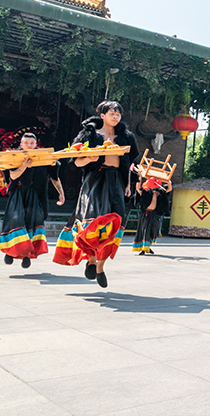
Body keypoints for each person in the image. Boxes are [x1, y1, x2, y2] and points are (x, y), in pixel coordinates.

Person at [53, 101, 139, 288]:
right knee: (92, 223)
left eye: (118, 114)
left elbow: (130, 165)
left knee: (115, 224)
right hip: (94, 181)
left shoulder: (126, 137)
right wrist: (90, 157)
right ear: (102, 115)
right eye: (112, 113)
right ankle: (91, 259)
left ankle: (100, 267)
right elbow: (75, 162)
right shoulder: (89, 134)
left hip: (116, 181)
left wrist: (128, 184)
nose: (115, 117)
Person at [0, 133, 64, 268]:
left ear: (36, 145)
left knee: (32, 222)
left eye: (31, 143)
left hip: (36, 195)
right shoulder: (14, 157)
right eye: (26, 143)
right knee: (15, 221)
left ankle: (27, 254)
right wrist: (23, 166)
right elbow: (13, 176)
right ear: (21, 144)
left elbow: (54, 177)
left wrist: (61, 194)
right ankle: (10, 252)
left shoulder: (43, 157)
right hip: (19, 193)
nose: (29, 145)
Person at [132, 176, 171, 255]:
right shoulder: (145, 192)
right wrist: (139, 176)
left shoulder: (159, 192)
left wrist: (168, 180)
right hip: (145, 213)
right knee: (145, 230)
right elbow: (137, 187)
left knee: (153, 231)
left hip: (154, 214)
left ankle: (148, 247)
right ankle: (143, 249)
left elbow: (169, 189)